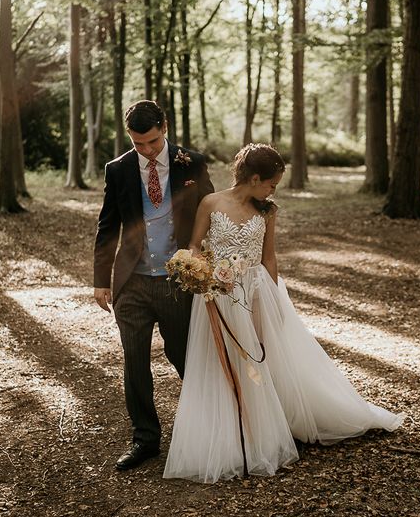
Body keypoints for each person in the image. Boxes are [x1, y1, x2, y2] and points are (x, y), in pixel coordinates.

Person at [163, 143, 403, 483]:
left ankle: (263, 428)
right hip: (216, 293)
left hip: (255, 291)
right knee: (222, 361)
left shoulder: (267, 211)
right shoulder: (211, 203)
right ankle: (230, 433)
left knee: (259, 357)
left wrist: (272, 298)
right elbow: (194, 244)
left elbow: (269, 257)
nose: (273, 190)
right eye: (272, 184)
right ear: (256, 178)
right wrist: (197, 271)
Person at [93, 100, 215, 470]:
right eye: (138, 144)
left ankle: (208, 427)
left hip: (178, 282)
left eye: (153, 141)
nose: (146, 150)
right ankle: (145, 439)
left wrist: (209, 264)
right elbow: (107, 224)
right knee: (134, 362)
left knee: (183, 356)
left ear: (165, 126)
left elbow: (212, 214)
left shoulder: (191, 163)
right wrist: (101, 281)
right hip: (131, 282)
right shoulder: (118, 169)